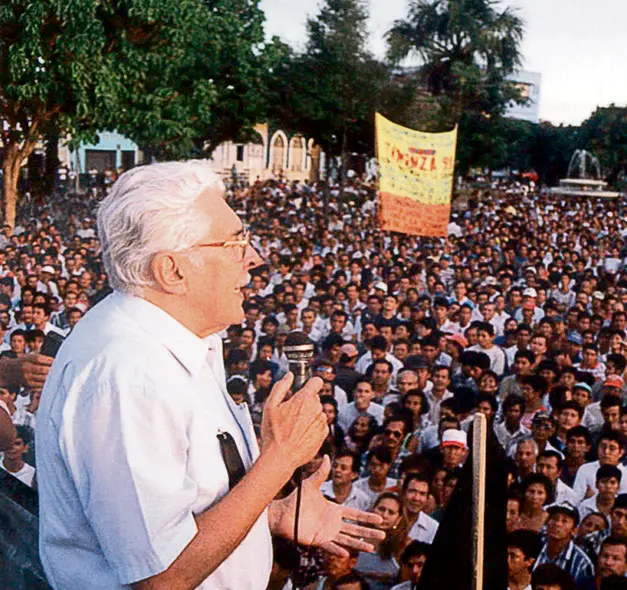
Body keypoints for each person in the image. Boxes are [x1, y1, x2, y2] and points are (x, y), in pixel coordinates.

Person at [35, 162, 384, 589]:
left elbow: (189, 510)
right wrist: (280, 459)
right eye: (235, 242)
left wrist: (271, 514)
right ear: (173, 270)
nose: (253, 259)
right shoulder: (129, 373)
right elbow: (160, 577)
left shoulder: (181, 341)